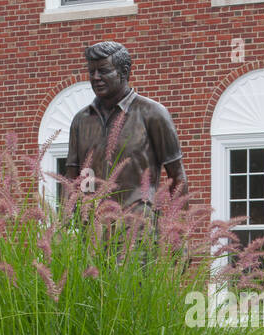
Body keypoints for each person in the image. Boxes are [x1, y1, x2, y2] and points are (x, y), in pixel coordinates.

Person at [63, 41, 187, 228]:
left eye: (103, 71)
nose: (95, 77)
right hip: (91, 237)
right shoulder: (81, 120)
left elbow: (177, 177)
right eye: (92, 71)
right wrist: (62, 230)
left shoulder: (152, 113)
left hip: (138, 236)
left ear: (125, 71)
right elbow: (71, 180)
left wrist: (179, 236)